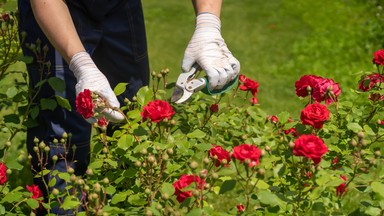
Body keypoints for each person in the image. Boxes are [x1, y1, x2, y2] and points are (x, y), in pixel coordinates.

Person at [18, 0, 240, 214]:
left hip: (119, 5)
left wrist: (208, 24)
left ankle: (127, 208)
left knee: (133, 116)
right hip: (58, 8)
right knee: (63, 141)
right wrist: (81, 65)